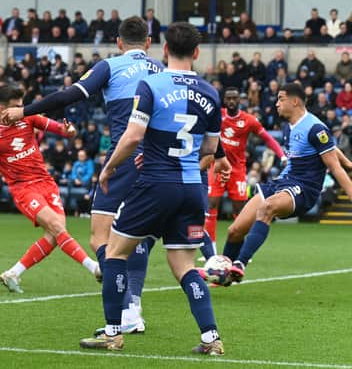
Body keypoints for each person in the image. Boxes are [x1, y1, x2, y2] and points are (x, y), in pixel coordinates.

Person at [4, 16, 164, 333]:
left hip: (123, 160)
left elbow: (67, 96)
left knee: (99, 237)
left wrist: (23, 111)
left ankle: (124, 309)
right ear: (148, 43)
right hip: (160, 163)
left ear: (119, 43)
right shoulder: (163, 70)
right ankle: (133, 310)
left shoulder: (110, 66)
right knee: (139, 236)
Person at [79, 22, 223, 354]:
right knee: (185, 265)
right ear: (197, 53)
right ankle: (211, 338)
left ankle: (113, 333)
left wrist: (110, 167)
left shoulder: (152, 84)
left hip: (156, 184)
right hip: (192, 190)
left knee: (114, 252)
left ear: (164, 51)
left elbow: (132, 137)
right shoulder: (211, 93)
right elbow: (210, 152)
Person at [0, 85, 100, 294]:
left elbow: (59, 129)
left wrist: (68, 131)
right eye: (17, 106)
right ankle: (94, 267)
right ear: (3, 108)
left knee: (53, 236)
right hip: (24, 189)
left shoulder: (28, 116)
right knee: (56, 227)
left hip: (46, 182)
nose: (22, 109)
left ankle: (13, 273)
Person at [221, 83, 352, 285]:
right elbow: (331, 148)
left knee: (267, 208)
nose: (276, 104)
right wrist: (349, 162)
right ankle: (223, 275)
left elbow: (333, 166)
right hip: (282, 182)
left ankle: (239, 264)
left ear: (295, 101)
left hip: (304, 187)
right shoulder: (287, 126)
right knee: (234, 231)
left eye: (281, 99)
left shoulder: (315, 128)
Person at [202, 87, 286, 259]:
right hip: (217, 167)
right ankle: (211, 252)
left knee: (239, 209)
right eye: (228, 98)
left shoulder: (249, 120)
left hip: (237, 170)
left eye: (234, 98)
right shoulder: (217, 116)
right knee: (211, 204)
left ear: (240, 100)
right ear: (224, 100)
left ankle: (241, 248)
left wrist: (282, 155)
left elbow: (268, 138)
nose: (231, 101)